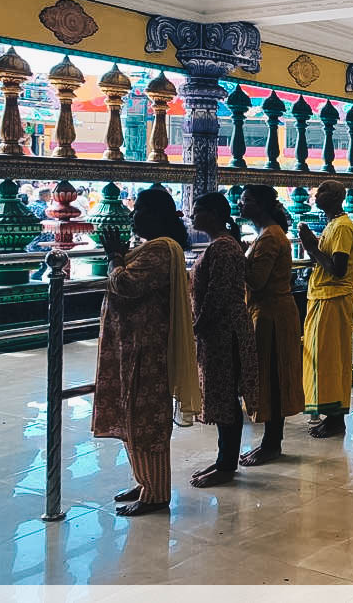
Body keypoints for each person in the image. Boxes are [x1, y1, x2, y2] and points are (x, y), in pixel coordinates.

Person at [93, 188, 199, 516]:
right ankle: (144, 480)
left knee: (146, 421)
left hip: (146, 349)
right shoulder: (150, 248)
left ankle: (156, 493)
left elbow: (127, 285)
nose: (133, 216)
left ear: (157, 216)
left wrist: (114, 258)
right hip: (131, 346)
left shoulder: (161, 251)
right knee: (130, 416)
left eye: (139, 211)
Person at [188, 192, 259, 488]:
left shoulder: (225, 249)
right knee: (221, 395)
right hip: (217, 330)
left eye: (198, 210)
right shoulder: (221, 245)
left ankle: (227, 464)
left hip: (223, 331)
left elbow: (219, 294)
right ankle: (222, 460)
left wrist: (198, 325)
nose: (192, 216)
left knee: (226, 397)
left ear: (214, 214)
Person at [238, 185, 304, 465]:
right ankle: (270, 441)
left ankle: (271, 443)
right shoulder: (267, 235)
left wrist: (236, 257)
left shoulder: (269, 238)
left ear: (262, 206)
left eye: (247, 200)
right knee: (270, 375)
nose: (241, 204)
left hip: (271, 315)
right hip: (268, 312)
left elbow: (256, 280)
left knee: (272, 377)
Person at [298, 180, 353, 438]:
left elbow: (337, 269)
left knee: (331, 359)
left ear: (336, 197)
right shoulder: (332, 224)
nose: (316, 194)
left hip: (333, 300)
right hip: (323, 297)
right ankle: (328, 413)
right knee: (321, 358)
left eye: (322, 190)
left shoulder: (343, 227)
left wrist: (311, 247)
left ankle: (336, 419)